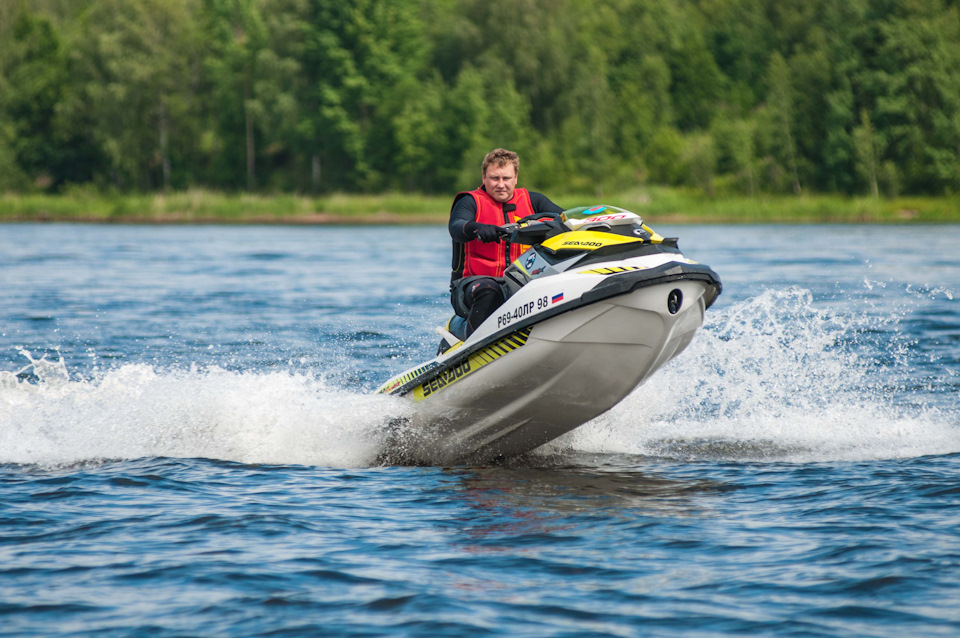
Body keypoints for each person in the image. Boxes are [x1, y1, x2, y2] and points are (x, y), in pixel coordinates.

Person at [447, 148, 563, 341]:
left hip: (521, 284)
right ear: (484, 177)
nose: (501, 185)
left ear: (515, 178)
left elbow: (566, 219)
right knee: (488, 291)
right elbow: (457, 226)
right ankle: (471, 341)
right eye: (494, 178)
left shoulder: (534, 201)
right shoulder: (469, 201)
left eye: (506, 178)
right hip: (472, 286)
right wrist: (477, 227)